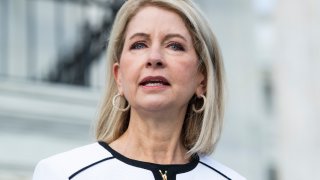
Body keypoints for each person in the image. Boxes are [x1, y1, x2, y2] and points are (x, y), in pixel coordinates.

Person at [33, 0, 246, 179]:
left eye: (174, 45)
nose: (154, 58)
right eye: (139, 45)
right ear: (119, 77)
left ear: (203, 80)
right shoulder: (63, 173)